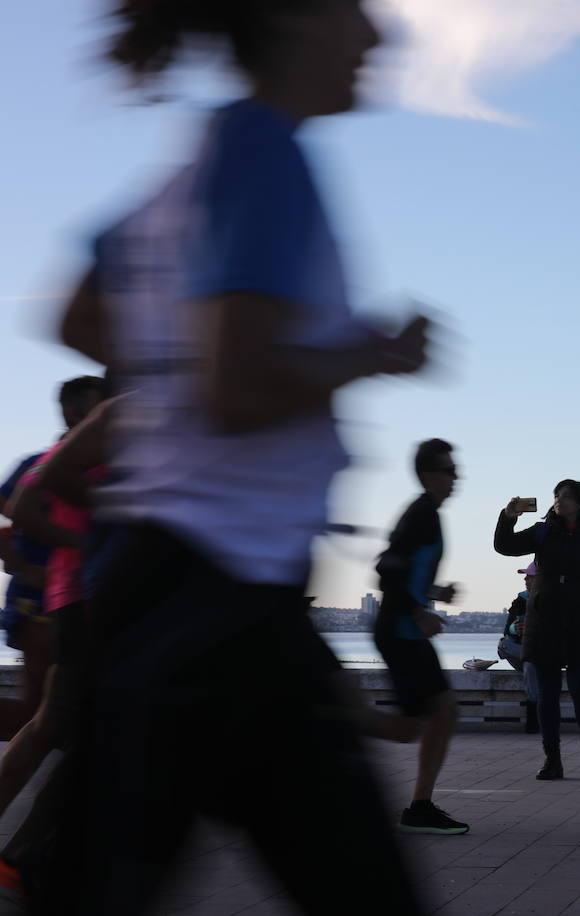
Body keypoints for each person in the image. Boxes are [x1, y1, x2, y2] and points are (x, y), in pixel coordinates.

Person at [5, 2, 435, 910]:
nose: (375, 36)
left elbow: (78, 315)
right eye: (356, 10)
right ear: (296, 18)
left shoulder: (195, 161)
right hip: (223, 601)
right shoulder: (264, 151)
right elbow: (237, 394)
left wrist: (183, 371)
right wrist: (371, 353)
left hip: (163, 591)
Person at [0, 376, 106, 738]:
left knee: (48, 713)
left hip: (78, 598)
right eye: (101, 406)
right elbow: (10, 518)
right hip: (41, 603)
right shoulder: (42, 464)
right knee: (47, 713)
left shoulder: (101, 466)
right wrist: (25, 566)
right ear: (75, 413)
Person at [373, 438, 468, 835]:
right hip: (399, 630)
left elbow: (407, 574)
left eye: (455, 471)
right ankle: (325, 714)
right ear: (428, 475)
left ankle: (421, 806)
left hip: (406, 630)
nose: (456, 478)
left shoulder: (428, 513)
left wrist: (434, 593)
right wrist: (417, 612)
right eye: (448, 471)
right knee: (413, 726)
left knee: (439, 713)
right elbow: (386, 570)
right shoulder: (422, 514)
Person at [494, 480, 580, 780]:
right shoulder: (542, 532)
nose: (559, 500)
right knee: (547, 695)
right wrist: (508, 517)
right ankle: (552, 760)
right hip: (543, 624)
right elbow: (504, 546)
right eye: (557, 496)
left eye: (566, 496)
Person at [497, 563, 541, 733]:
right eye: (526, 576)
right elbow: (507, 630)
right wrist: (515, 628)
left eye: (530, 576)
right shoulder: (520, 600)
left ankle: (533, 717)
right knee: (504, 644)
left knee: (530, 664)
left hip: (544, 652)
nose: (525, 579)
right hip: (524, 651)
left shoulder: (552, 599)